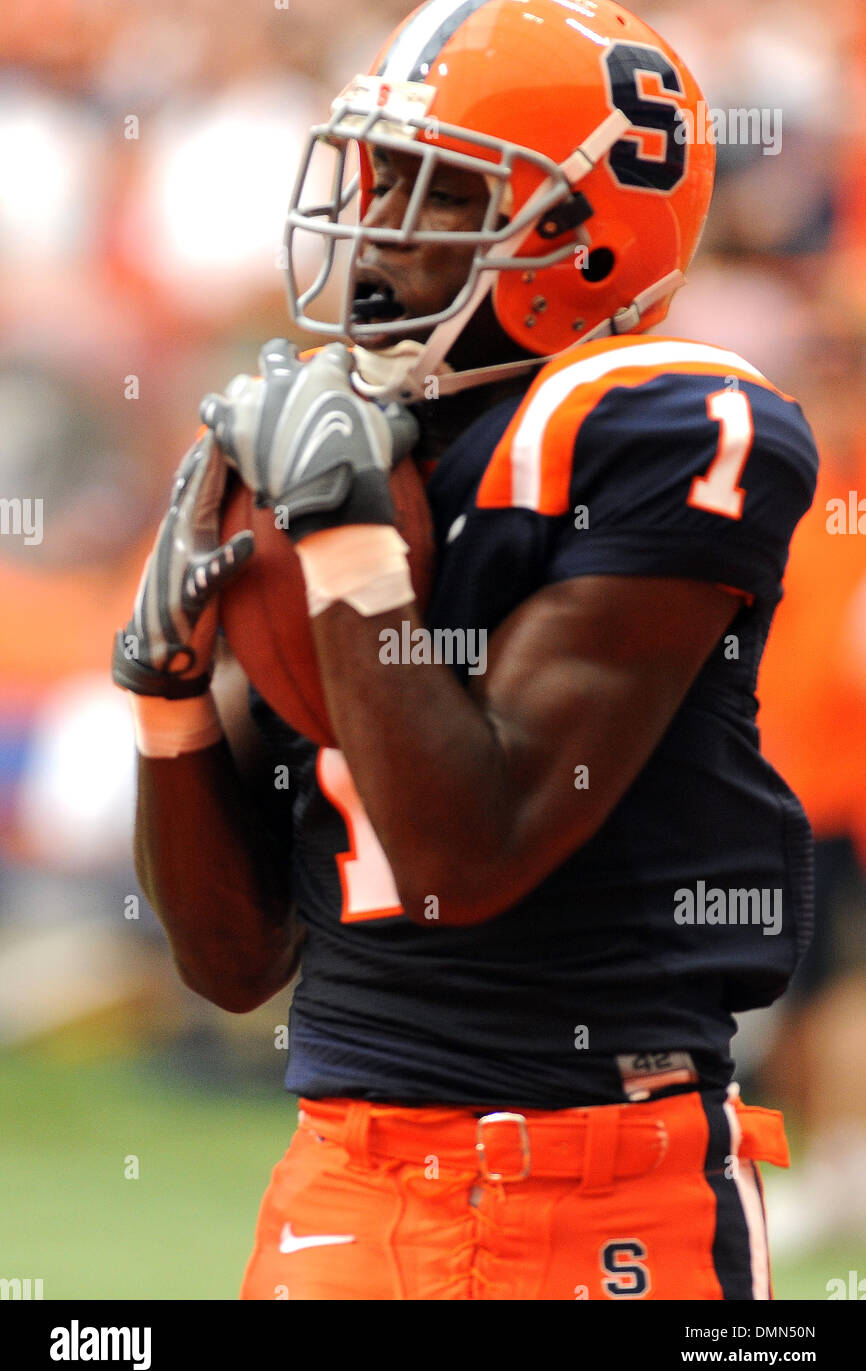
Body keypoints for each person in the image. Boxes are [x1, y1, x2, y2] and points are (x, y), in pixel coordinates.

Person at [112, 0, 818, 1300]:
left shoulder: (657, 425)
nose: (375, 228)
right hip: (338, 1172)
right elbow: (230, 965)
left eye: (438, 193)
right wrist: (166, 705)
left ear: (578, 233)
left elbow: (462, 854)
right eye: (377, 178)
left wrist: (345, 544)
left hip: (598, 1185)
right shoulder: (330, 447)